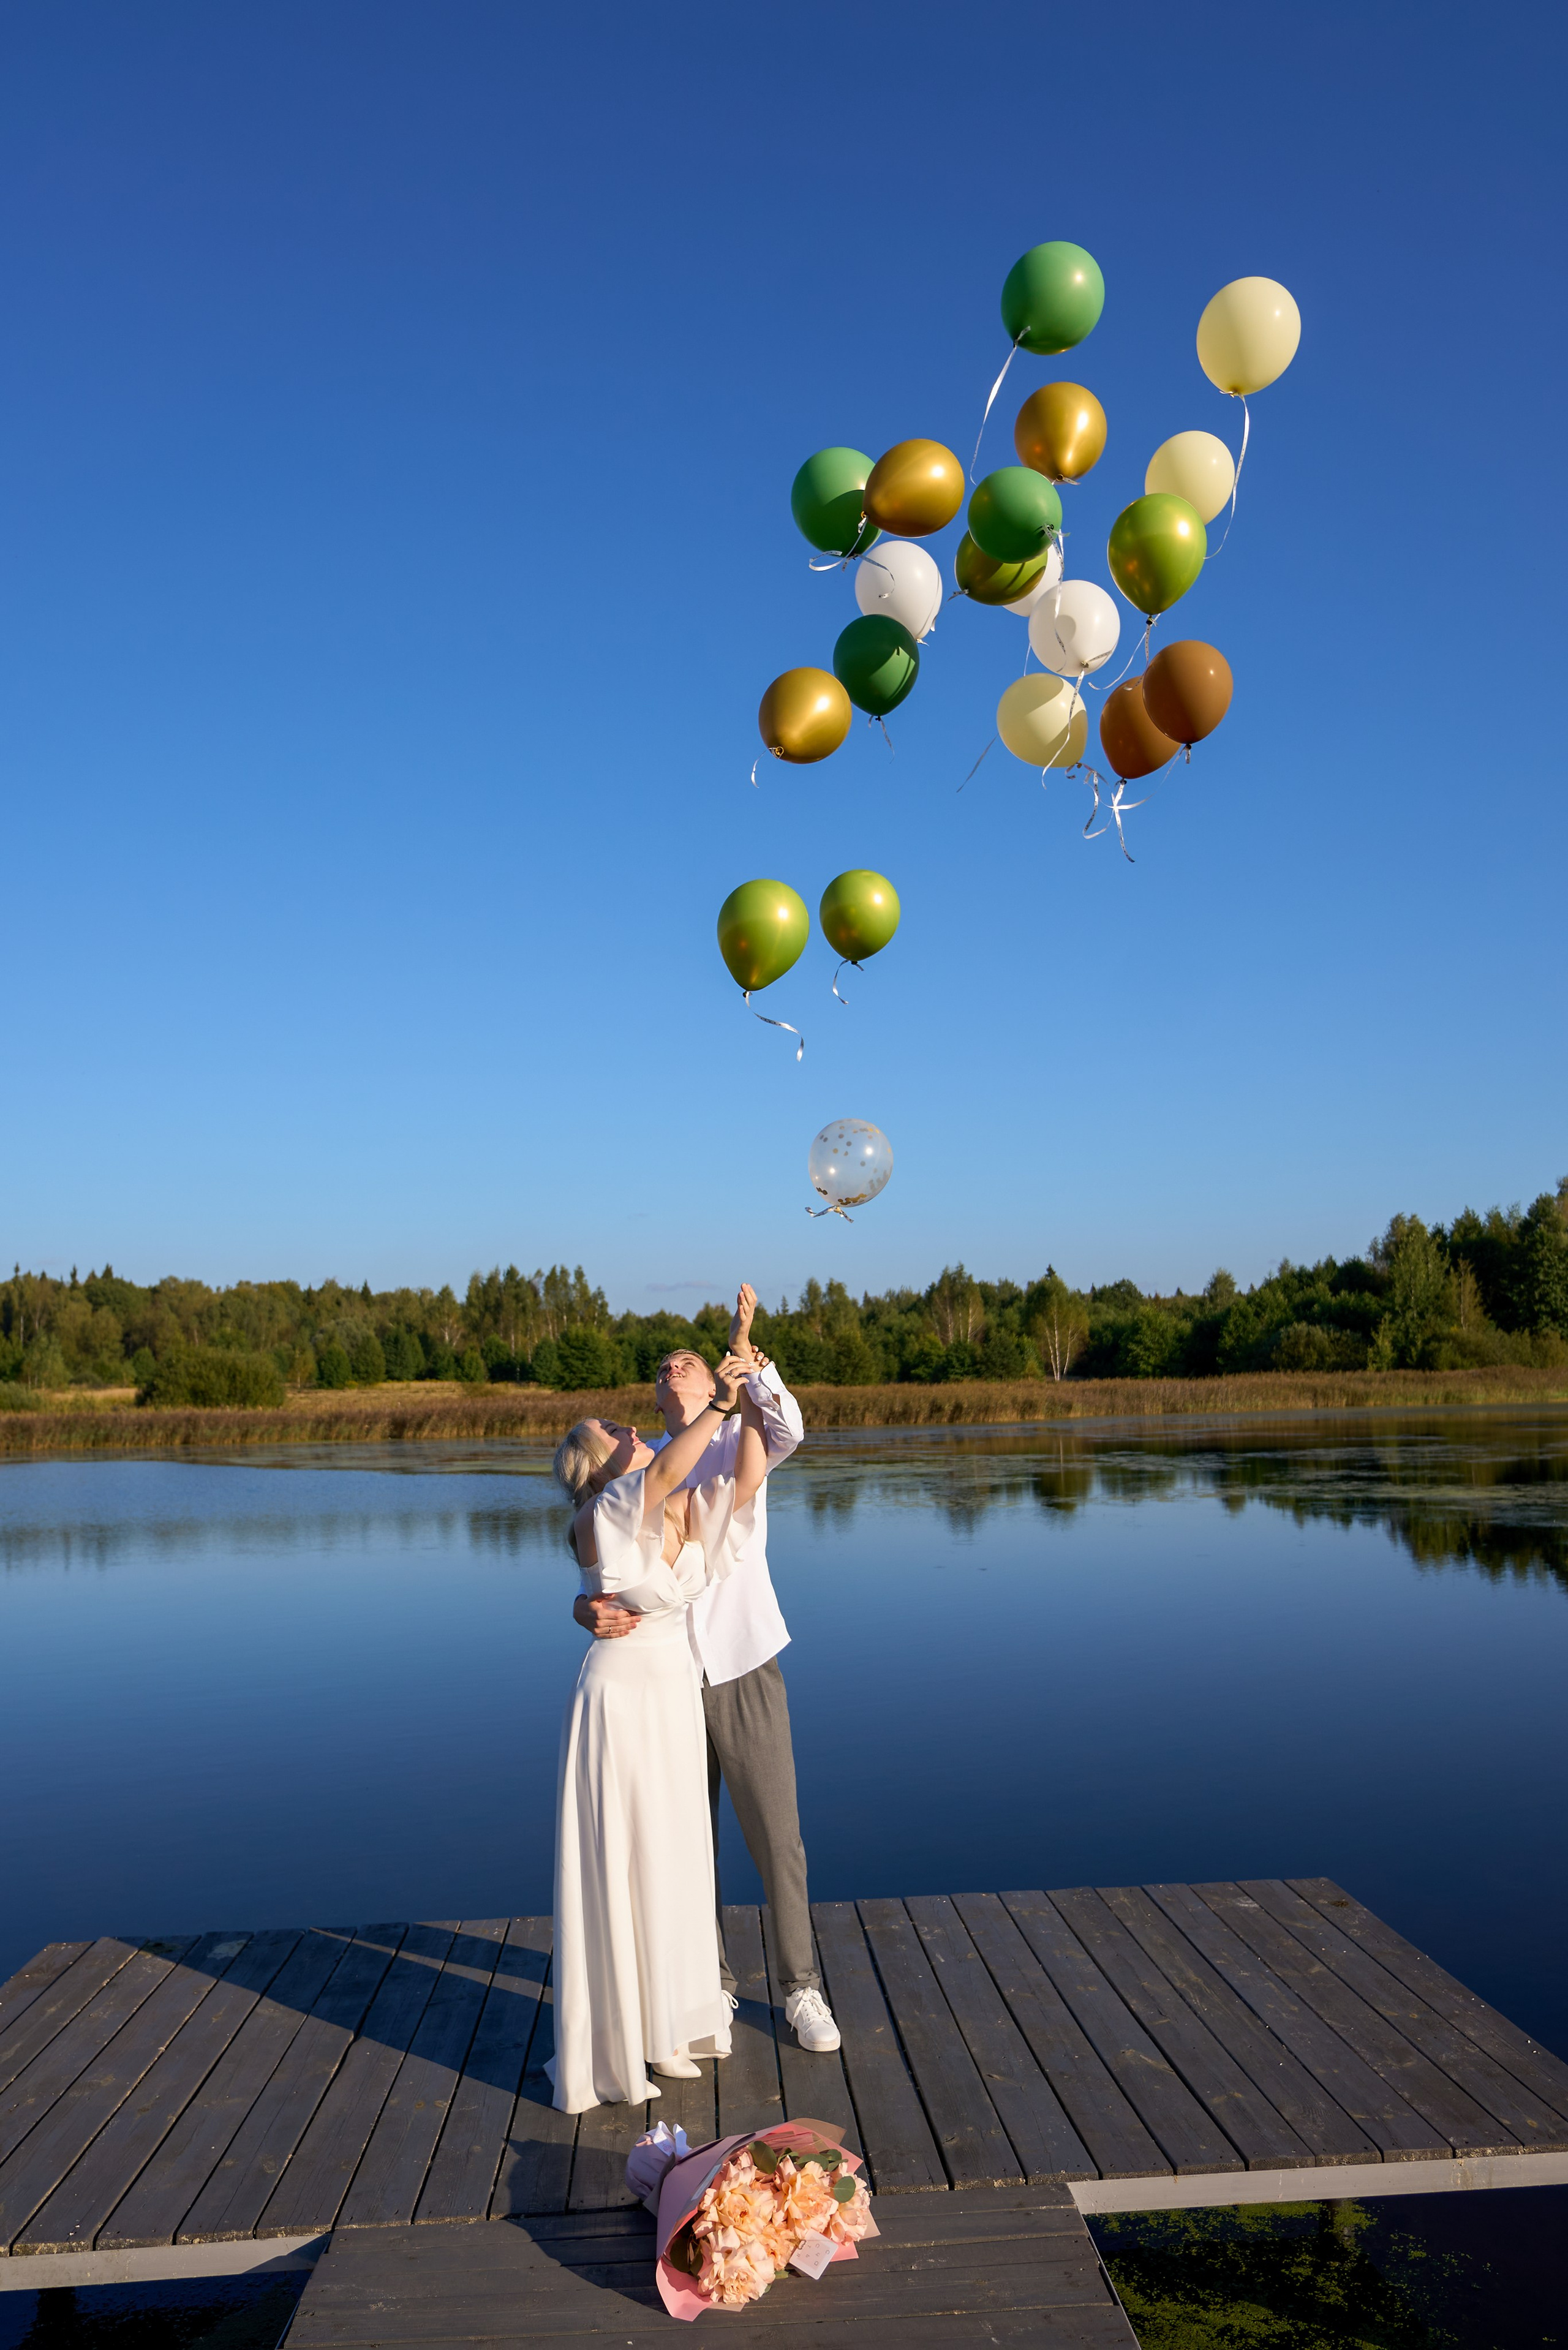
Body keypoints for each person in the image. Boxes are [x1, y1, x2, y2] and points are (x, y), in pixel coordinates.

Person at [574, 1286, 840, 2057]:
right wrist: (584, 1608)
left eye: (686, 1358)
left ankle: (800, 1988)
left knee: (776, 1837)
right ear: (660, 1398)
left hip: (741, 1664)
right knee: (687, 1843)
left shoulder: (737, 1439)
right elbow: (604, 1557)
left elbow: (787, 1425)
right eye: (664, 1366)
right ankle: (711, 1982)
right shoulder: (642, 1471)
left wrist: (751, 1364)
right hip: (659, 1682)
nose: (675, 1364)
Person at [548, 1352, 774, 2114]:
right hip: (618, 1703)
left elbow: (746, 1481)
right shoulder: (607, 1510)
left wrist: (739, 1410)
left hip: (675, 1695)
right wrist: (714, 1405)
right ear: (594, 1463)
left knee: (679, 1857)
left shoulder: (677, 1507)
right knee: (626, 1858)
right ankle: (624, 2036)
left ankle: (674, 2028)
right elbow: (654, 1478)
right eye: (612, 1430)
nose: (630, 1427)